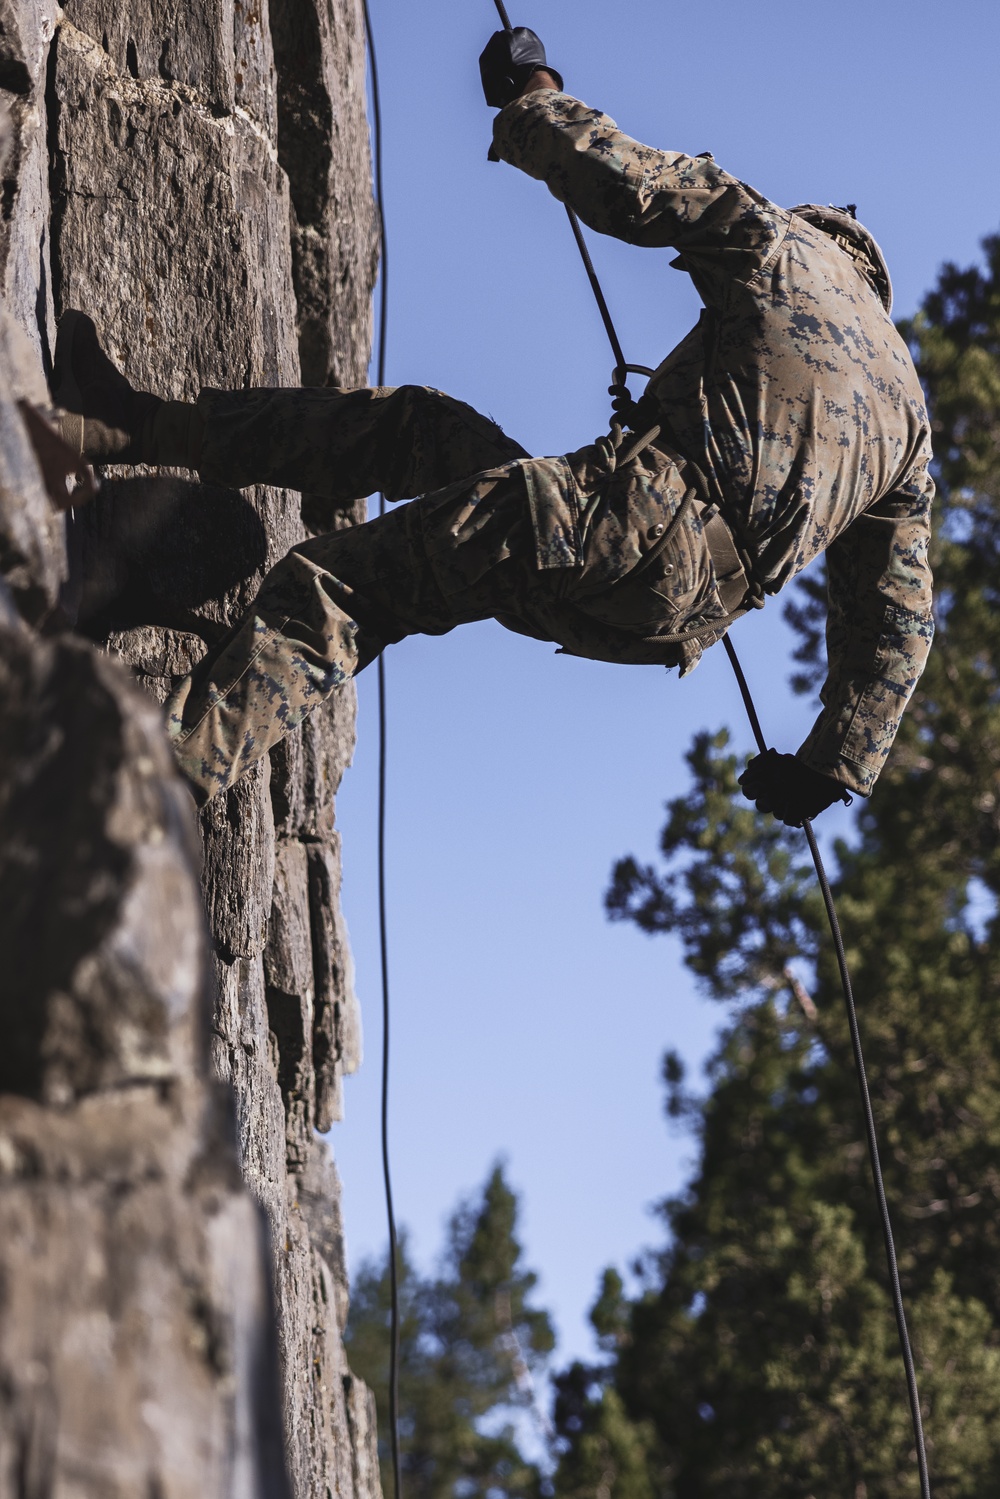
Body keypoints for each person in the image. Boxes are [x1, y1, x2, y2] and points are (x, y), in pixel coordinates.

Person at [51, 28, 934, 825]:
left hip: (618, 520)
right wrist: (829, 769)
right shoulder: (908, 427)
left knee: (345, 588)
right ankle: (133, 427)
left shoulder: (784, 249)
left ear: (829, 237)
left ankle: (141, 790)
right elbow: (896, 624)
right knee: (423, 431)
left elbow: (632, 185)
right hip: (659, 621)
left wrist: (531, 100)